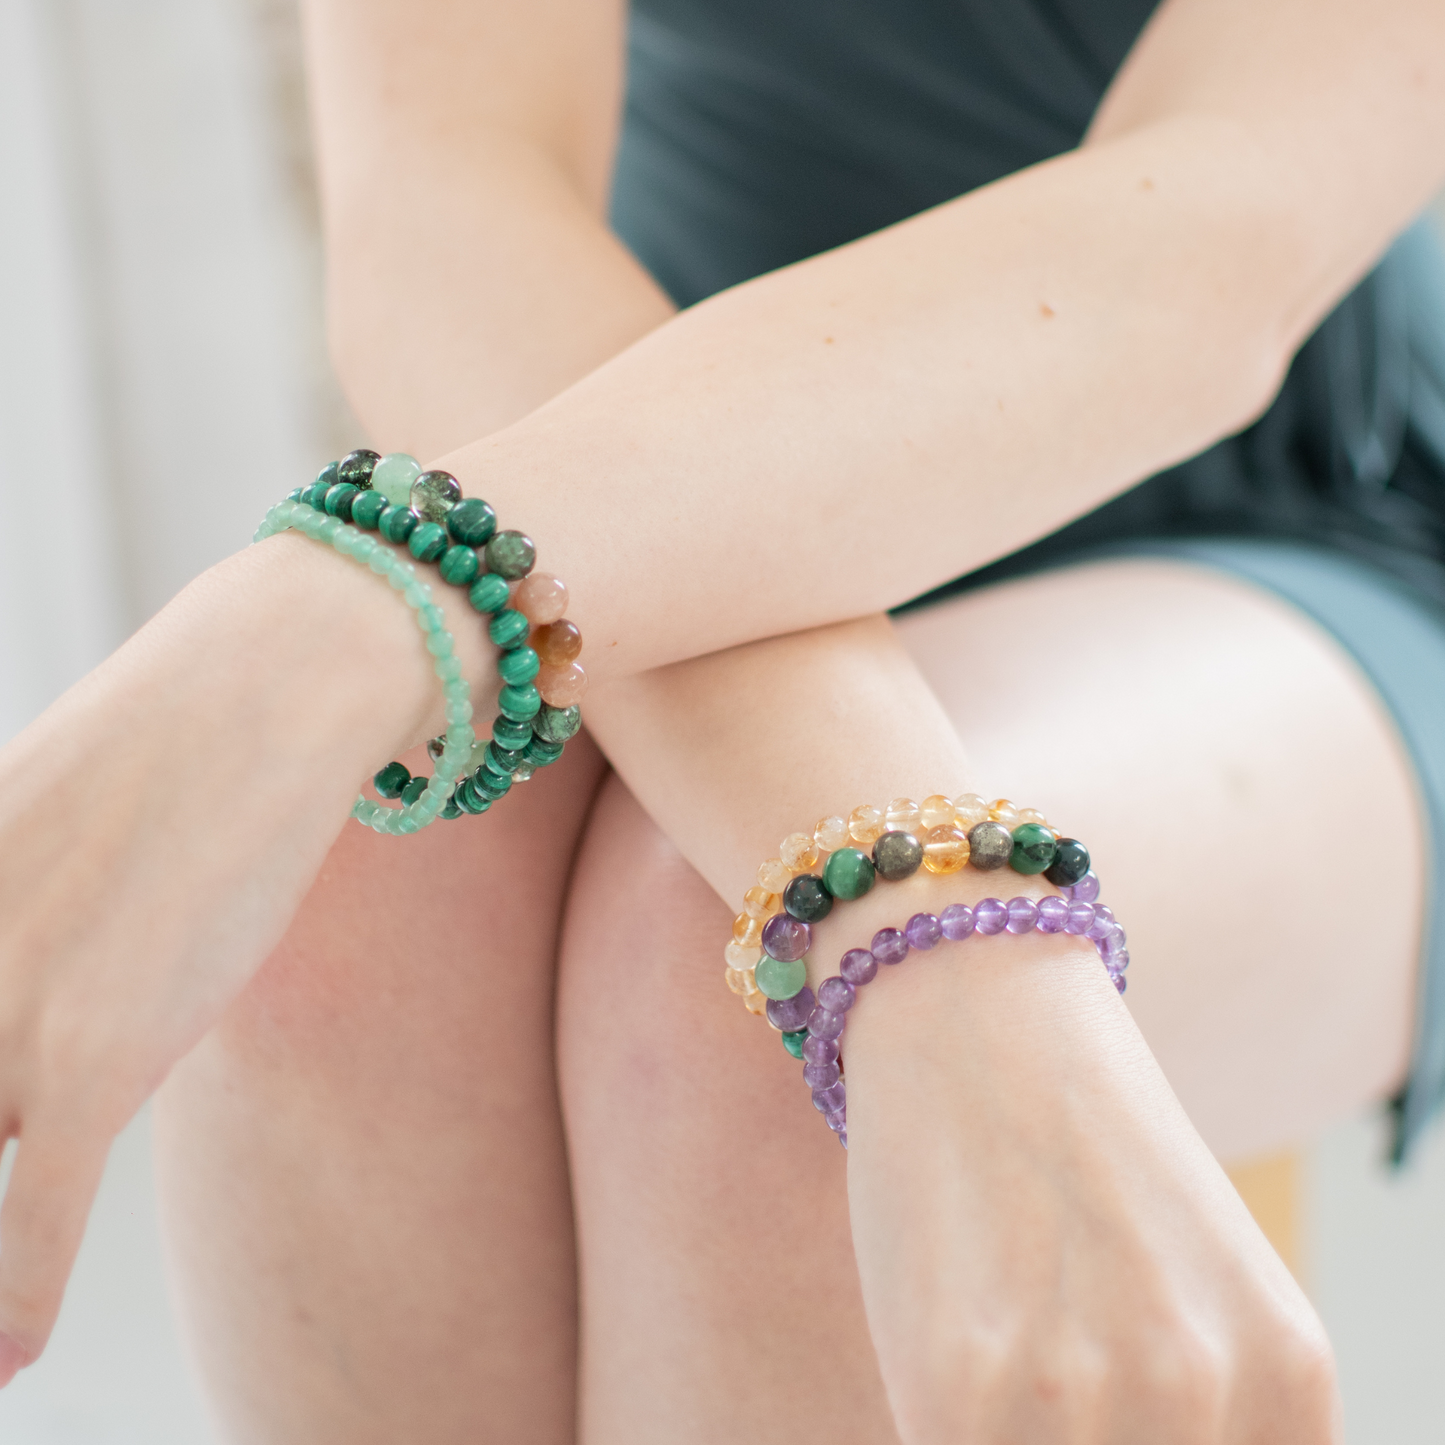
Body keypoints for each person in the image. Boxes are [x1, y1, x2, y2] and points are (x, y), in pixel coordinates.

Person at [2, 0, 1444, 1439]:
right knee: (367, 852)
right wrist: (911, 898)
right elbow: (453, 195)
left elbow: (1199, 247)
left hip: (1306, 515)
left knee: (739, 1002)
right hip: (640, 448)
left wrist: (320, 628)